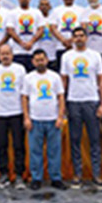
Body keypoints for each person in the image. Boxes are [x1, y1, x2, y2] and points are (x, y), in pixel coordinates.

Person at [60, 27, 102, 188]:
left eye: (81, 36)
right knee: (75, 140)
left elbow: (101, 81)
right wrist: (63, 104)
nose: (79, 38)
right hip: (73, 101)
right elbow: (63, 82)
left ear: (86, 38)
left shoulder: (95, 56)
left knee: (94, 139)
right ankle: (77, 174)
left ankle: (96, 174)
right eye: (76, 36)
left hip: (92, 101)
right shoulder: (67, 56)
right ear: (72, 39)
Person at [22, 49, 68, 191]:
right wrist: (26, 117)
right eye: (37, 60)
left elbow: (60, 97)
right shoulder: (28, 78)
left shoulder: (55, 77)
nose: (40, 62)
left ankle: (56, 178)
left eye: (42, 59)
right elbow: (24, 98)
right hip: (35, 119)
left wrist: (60, 116)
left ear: (47, 60)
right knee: (35, 150)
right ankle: (36, 178)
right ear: (33, 62)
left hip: (53, 119)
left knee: (54, 150)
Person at [0, 44, 28, 189]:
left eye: (8, 54)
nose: (5, 56)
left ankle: (19, 175)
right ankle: (3, 174)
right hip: (0, 113)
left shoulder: (20, 69)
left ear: (12, 54)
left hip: (16, 112)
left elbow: (24, 93)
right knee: (1, 145)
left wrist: (25, 113)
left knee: (18, 145)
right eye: (2, 54)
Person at [7, 0, 45, 67]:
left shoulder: (36, 12)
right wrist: (21, 43)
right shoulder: (13, 13)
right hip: (17, 51)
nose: (24, 0)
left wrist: (31, 42)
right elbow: (10, 30)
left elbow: (41, 29)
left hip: (33, 51)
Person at [49, 0, 86, 68]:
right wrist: (63, 40)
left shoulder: (81, 10)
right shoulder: (56, 11)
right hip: (61, 46)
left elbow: (83, 26)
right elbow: (52, 27)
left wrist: (72, 40)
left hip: (76, 46)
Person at [34, 0, 62, 72]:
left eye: (46, 5)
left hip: (52, 55)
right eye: (42, 5)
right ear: (38, 7)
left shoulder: (54, 20)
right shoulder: (35, 20)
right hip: (39, 54)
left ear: (50, 7)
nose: (44, 7)